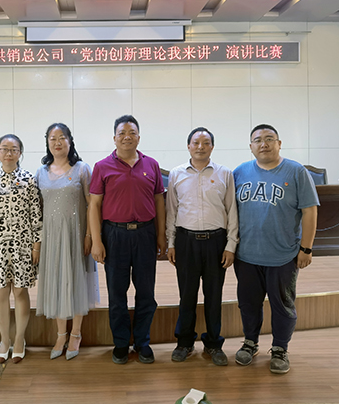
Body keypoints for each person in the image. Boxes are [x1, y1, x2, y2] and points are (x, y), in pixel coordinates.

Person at [233, 124, 319, 374]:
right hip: (246, 255)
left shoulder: (296, 172)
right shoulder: (239, 172)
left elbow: (310, 211)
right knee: (248, 303)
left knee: (282, 305)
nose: (264, 144)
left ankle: (280, 348)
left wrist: (307, 248)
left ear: (279, 144)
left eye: (269, 138)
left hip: (283, 255)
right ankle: (250, 342)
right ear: (251, 147)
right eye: (258, 140)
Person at [89, 115, 166, 365]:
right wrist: (97, 241)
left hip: (145, 234)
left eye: (132, 132)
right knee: (117, 293)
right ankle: (121, 342)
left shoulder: (151, 165)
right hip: (114, 236)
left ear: (138, 137)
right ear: (114, 138)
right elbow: (94, 205)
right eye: (122, 133)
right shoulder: (102, 167)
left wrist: (161, 234)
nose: (127, 137)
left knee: (146, 292)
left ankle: (142, 341)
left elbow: (159, 201)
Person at [166, 127, 239, 366]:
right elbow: (171, 211)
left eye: (205, 143)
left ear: (212, 147)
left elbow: (232, 211)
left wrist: (231, 245)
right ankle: (184, 342)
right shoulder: (176, 174)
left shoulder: (225, 173)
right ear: (188, 146)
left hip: (216, 242)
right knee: (187, 295)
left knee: (214, 295)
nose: (200, 147)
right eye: (196, 142)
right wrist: (171, 243)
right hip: (186, 241)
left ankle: (214, 344)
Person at [35, 123, 99, 361]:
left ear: (70, 141)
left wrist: (89, 235)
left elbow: (92, 205)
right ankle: (61, 334)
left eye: (62, 137)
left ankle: (76, 334)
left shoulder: (82, 169)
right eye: (52, 138)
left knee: (76, 281)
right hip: (51, 237)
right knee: (56, 283)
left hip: (76, 234)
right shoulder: (40, 172)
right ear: (47, 142)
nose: (57, 142)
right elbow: (38, 209)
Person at [0, 134, 42, 364]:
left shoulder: (29, 180)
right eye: (4, 148)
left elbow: (36, 215)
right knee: (1, 292)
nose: (8, 153)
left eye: (13, 149)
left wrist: (36, 246)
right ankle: (4, 340)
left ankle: (19, 339)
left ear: (20, 153)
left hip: (22, 245)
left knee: (21, 292)